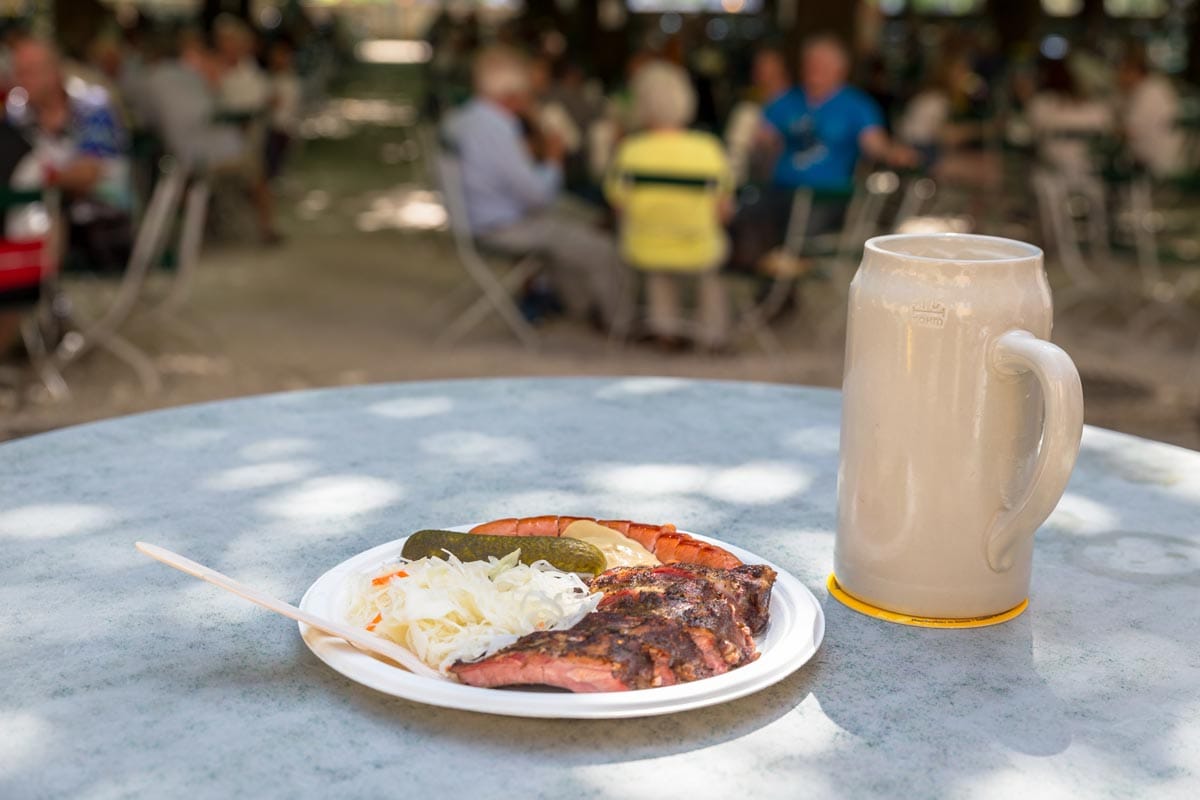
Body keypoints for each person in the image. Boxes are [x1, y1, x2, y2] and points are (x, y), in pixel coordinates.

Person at [442, 46, 620, 325]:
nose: (530, 99)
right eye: (526, 93)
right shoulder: (496, 129)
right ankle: (618, 322)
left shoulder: (464, 119)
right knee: (601, 245)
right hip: (501, 226)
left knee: (578, 219)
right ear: (510, 95)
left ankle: (576, 303)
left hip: (481, 218)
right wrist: (553, 159)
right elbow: (538, 196)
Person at [729, 35, 913, 274]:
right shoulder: (787, 101)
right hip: (781, 190)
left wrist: (897, 154)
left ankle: (783, 291)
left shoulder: (857, 105)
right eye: (810, 64)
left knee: (801, 239)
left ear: (840, 69)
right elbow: (762, 137)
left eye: (822, 65)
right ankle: (766, 286)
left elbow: (875, 144)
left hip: (827, 197)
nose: (814, 70)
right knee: (744, 219)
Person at [605, 61, 733, 350]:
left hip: (643, 245)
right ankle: (713, 333)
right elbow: (723, 210)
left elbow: (618, 206)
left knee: (657, 264)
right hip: (698, 246)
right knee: (710, 260)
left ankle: (665, 328)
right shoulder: (707, 149)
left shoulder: (630, 150)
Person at [7, 37, 132, 271]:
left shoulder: (92, 106)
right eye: (18, 72)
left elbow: (88, 174)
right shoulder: (18, 115)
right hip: (37, 215)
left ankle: (42, 294)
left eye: (30, 72)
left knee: (51, 217)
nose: (21, 80)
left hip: (100, 220)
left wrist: (44, 175)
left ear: (54, 71)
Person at [1116, 47, 1185, 178]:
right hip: (1164, 158)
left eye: (1122, 71)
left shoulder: (1148, 92)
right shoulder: (1154, 86)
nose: (1118, 77)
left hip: (1158, 163)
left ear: (1133, 72)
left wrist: (1111, 128)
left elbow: (1131, 131)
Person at [264, 38, 300, 185]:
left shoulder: (289, 81)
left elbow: (281, 105)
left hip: (281, 127)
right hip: (273, 126)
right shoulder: (271, 78)